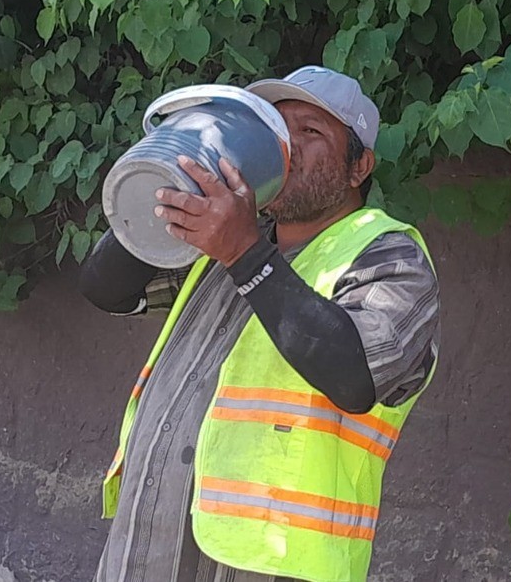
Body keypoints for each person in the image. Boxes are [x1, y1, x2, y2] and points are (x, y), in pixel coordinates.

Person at [79, 66, 441, 582]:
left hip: (270, 567)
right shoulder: (224, 242)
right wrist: (169, 185)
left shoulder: (388, 255)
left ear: (360, 166)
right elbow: (105, 287)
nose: (286, 147)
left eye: (310, 132)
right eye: (275, 131)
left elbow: (356, 375)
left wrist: (245, 254)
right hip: (148, 553)